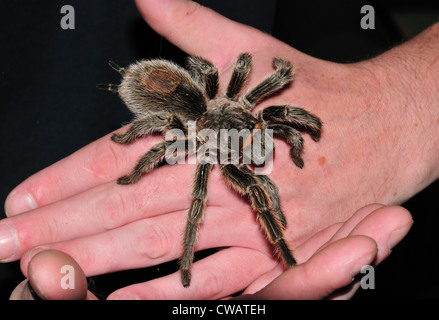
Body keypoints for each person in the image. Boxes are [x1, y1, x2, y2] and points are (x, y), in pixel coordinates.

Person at [3, 0, 438, 299]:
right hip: (110, 123)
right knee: (237, 191)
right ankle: (276, 254)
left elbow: (255, 75)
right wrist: (135, 170)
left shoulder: (248, 107)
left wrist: (397, 107)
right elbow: (196, 174)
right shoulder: (205, 138)